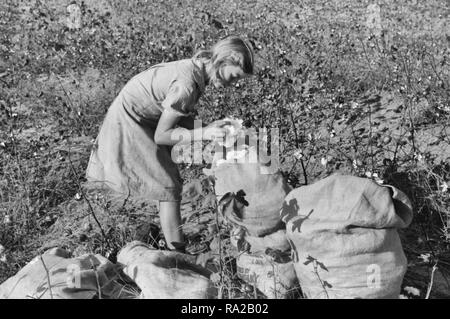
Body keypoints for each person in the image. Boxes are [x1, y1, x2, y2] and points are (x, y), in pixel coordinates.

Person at [86, 36, 255, 252]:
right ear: (225, 60)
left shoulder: (196, 69)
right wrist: (205, 132)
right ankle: (178, 252)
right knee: (168, 187)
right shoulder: (187, 84)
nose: (234, 84)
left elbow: (176, 118)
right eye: (235, 76)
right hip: (131, 120)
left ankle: (171, 241)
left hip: (144, 117)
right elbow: (162, 135)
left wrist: (209, 127)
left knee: (167, 180)